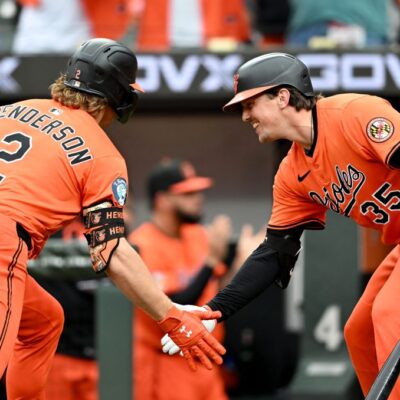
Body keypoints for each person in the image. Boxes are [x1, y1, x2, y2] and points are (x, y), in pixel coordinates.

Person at [163, 52, 400, 399]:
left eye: (250, 104)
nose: (245, 116)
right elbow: (275, 252)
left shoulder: (352, 112)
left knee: (388, 312)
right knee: (358, 331)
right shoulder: (292, 174)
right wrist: (216, 308)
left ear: (283, 96)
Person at [0, 37, 225, 399]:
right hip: (4, 236)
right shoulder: (103, 154)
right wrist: (171, 316)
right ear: (120, 95)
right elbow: (112, 253)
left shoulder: (14, 108)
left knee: (44, 321)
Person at [128, 157, 232, 400]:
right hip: (169, 363)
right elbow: (172, 305)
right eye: (187, 193)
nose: (198, 199)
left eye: (197, 191)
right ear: (161, 200)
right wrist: (210, 262)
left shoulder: (197, 235)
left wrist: (238, 265)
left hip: (208, 362)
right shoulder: (142, 244)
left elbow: (215, 291)